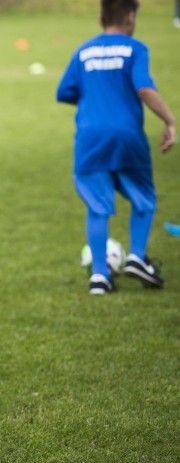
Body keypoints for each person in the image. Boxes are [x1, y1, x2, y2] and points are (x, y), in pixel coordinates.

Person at [56, 0, 175, 295]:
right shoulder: (135, 49)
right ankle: (136, 255)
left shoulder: (84, 50)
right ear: (131, 16)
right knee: (144, 198)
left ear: (100, 19)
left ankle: (99, 275)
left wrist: (95, 100)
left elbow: (64, 91)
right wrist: (170, 120)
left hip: (90, 137)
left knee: (97, 206)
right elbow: (144, 87)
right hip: (126, 135)